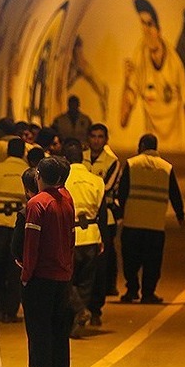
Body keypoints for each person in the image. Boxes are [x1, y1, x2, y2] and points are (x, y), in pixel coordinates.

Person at [14, 157, 75, 367]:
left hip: (41, 278)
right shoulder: (67, 199)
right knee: (59, 330)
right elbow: (70, 237)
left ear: (38, 176)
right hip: (62, 276)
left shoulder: (37, 204)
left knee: (39, 331)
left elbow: (31, 245)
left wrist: (26, 274)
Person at [117, 134, 185, 304]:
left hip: (132, 222)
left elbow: (122, 191)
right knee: (152, 262)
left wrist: (119, 214)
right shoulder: (166, 168)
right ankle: (148, 293)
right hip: (155, 224)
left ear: (141, 145)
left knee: (130, 259)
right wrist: (180, 215)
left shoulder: (132, 164)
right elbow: (174, 193)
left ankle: (132, 290)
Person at [121, 0, 185, 149]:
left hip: (176, 148)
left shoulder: (175, 63)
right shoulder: (139, 57)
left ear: (159, 30)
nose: (146, 30)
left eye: (150, 24)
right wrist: (126, 81)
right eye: (142, 24)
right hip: (152, 151)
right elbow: (123, 120)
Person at [63, 140, 107, 336]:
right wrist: (103, 238)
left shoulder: (62, 180)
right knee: (86, 282)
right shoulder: (96, 180)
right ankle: (79, 318)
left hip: (70, 236)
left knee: (66, 279)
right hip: (91, 234)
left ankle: (79, 311)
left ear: (65, 159)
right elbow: (102, 214)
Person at [0, 138, 29, 322]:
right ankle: (11, 311)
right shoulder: (28, 172)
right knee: (15, 269)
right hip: (17, 225)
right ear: (23, 153)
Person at [83, 123, 121, 320]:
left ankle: (96, 306)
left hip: (105, 218)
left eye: (100, 137)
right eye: (93, 136)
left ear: (106, 139)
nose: (96, 140)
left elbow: (106, 187)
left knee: (101, 262)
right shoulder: (81, 158)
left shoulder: (112, 161)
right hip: (84, 218)